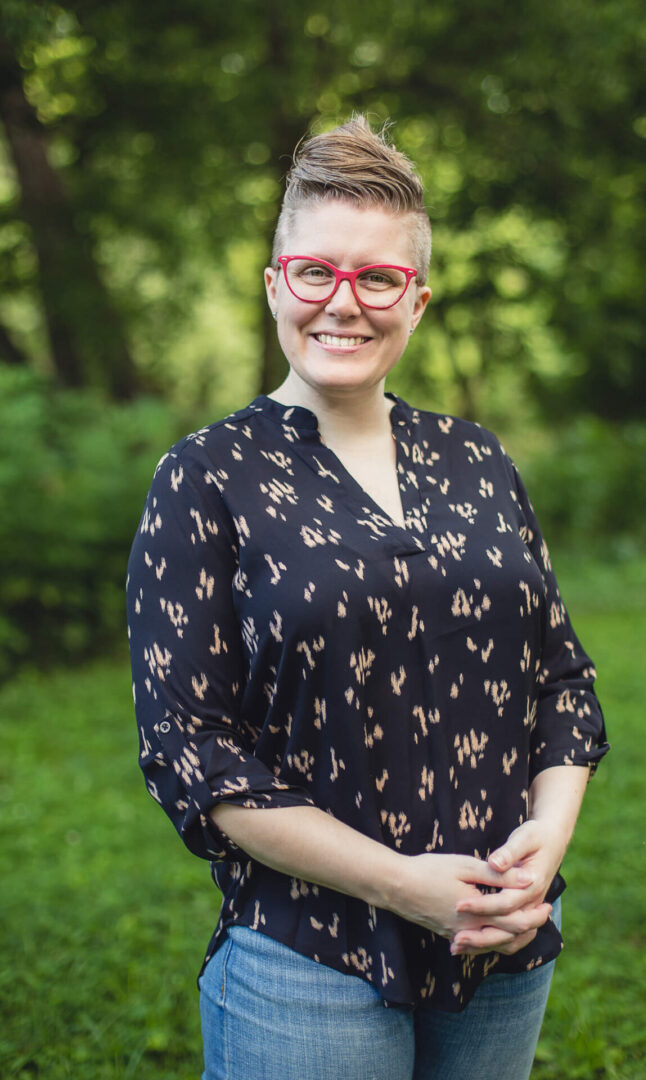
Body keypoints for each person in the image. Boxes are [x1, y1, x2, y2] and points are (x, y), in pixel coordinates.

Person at [126, 115, 609, 1080]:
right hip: (310, 959)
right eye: (317, 272)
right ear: (275, 285)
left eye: (378, 278)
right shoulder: (205, 476)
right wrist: (403, 886)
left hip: (503, 940)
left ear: (417, 300)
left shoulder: (478, 458)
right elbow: (194, 753)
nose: (343, 303)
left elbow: (561, 682)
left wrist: (543, 855)